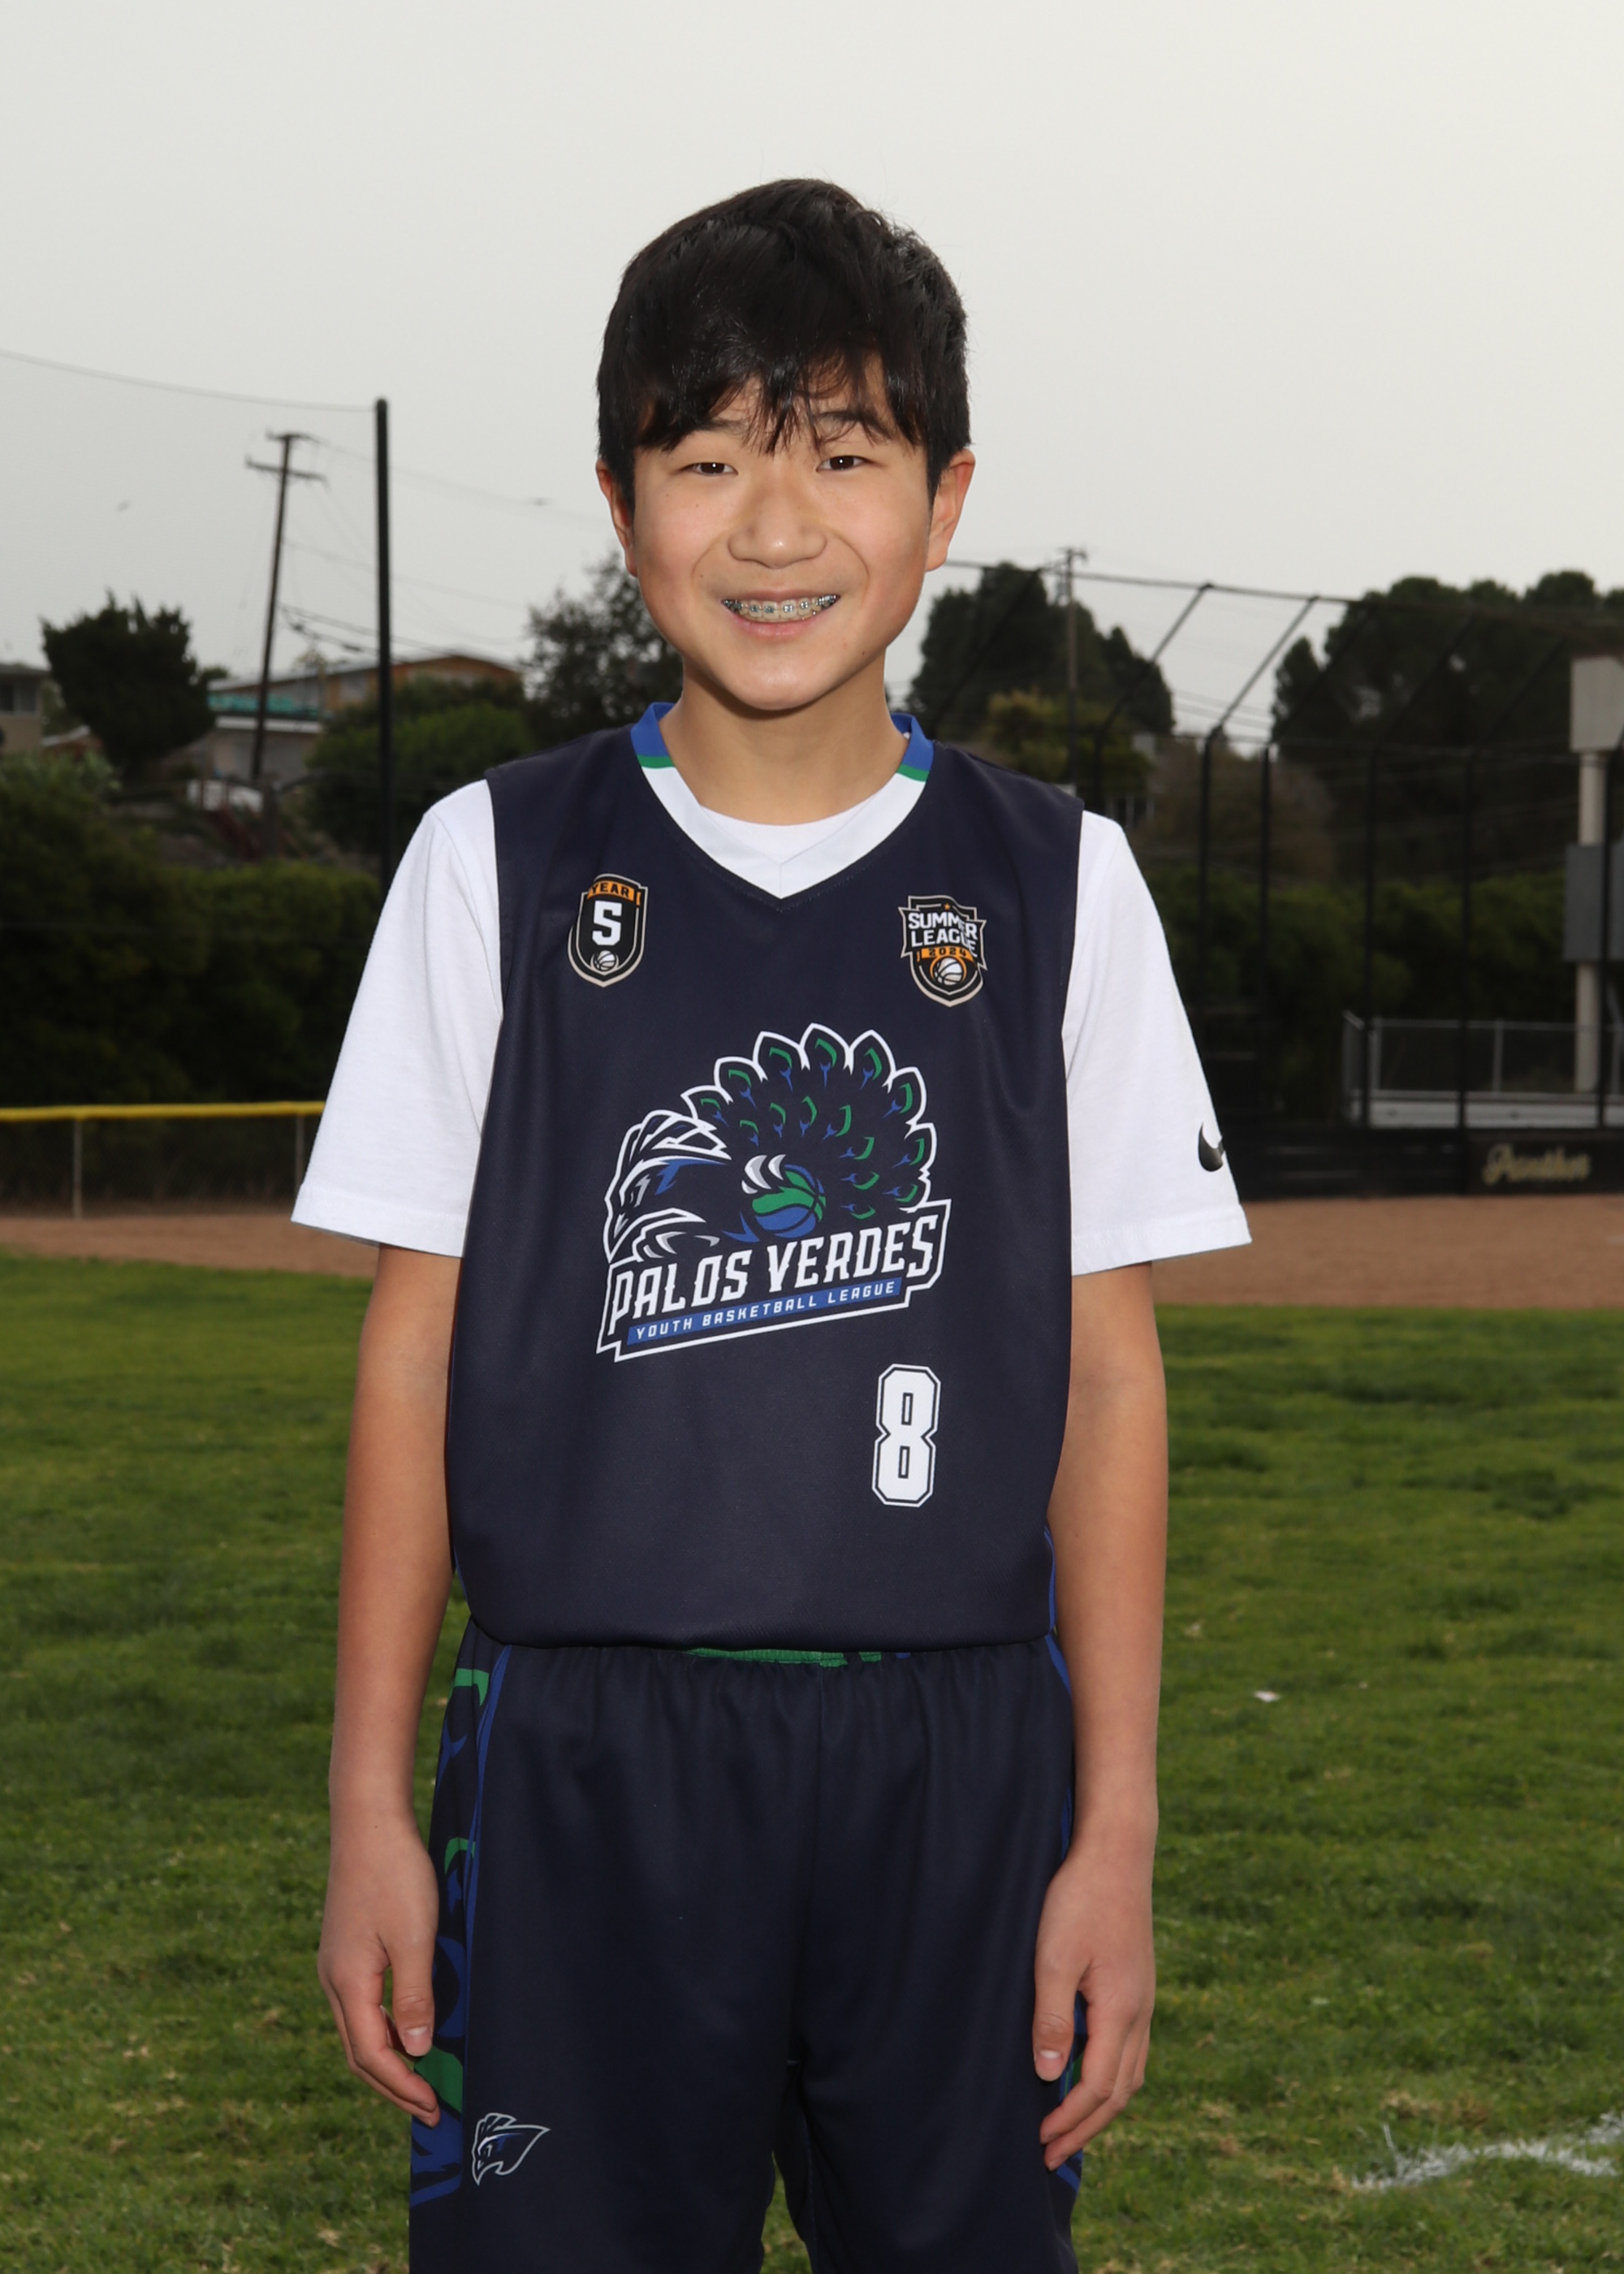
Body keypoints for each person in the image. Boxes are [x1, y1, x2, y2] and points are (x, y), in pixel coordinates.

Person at [300, 177, 1249, 2274]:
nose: (776, 526)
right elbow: (411, 1349)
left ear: (948, 497)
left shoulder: (1061, 885)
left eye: (843, 454)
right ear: (622, 503)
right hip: (585, 1761)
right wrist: (369, 1802)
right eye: (711, 459)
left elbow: (1110, 1378)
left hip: (958, 1765)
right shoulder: (492, 864)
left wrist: (1114, 1830)